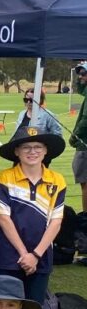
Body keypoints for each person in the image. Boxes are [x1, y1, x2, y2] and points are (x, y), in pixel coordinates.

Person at [0, 125, 66, 309]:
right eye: (26, 147)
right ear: (17, 151)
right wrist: (24, 254)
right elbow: (4, 218)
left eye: (38, 147)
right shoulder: (6, 176)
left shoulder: (57, 180)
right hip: (8, 255)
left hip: (41, 256)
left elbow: (56, 222)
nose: (32, 152)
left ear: (46, 150)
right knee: (2, 308)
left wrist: (36, 255)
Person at [70, 62, 87, 213]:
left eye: (84, 74)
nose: (80, 77)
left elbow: (85, 120)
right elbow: (81, 90)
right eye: (79, 74)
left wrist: (74, 136)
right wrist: (79, 77)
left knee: (85, 183)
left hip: (84, 145)